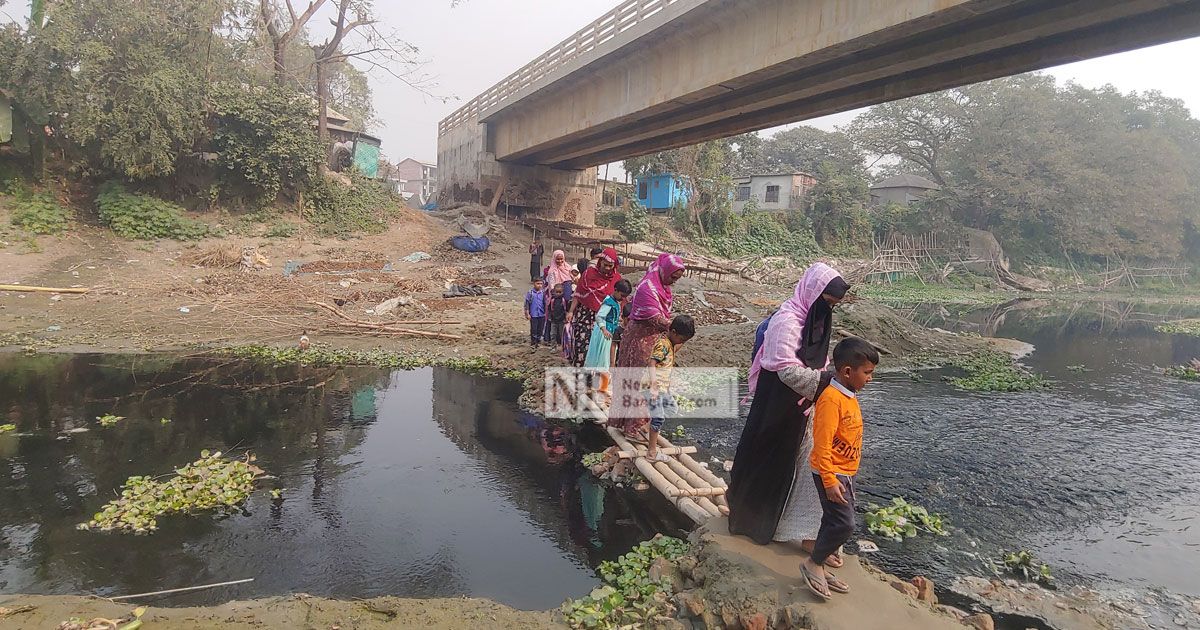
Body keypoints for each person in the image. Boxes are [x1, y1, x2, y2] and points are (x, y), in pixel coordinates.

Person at [727, 263, 851, 546]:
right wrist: (829, 383)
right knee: (765, 464)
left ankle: (788, 528)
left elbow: (817, 359)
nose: (828, 309)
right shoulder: (787, 322)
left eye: (833, 305)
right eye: (827, 302)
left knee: (796, 467)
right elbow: (786, 370)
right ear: (813, 293)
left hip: (800, 408)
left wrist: (824, 384)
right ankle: (750, 524)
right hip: (774, 407)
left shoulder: (816, 321)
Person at [800, 337, 878, 600]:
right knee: (844, 524)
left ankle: (819, 563)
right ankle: (813, 564)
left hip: (844, 472)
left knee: (833, 520)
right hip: (831, 472)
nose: (870, 379)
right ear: (847, 372)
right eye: (867, 373)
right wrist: (829, 479)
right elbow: (821, 444)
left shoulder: (848, 395)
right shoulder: (832, 400)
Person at [610, 253, 686, 437]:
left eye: (677, 279)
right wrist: (679, 328)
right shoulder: (647, 288)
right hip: (640, 340)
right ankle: (633, 429)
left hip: (654, 340)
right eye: (673, 277)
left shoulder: (663, 288)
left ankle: (640, 425)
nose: (674, 281)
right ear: (665, 271)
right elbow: (655, 318)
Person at [645, 314, 694, 461]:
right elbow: (652, 362)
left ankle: (647, 428)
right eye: (682, 339)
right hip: (651, 386)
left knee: (672, 408)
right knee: (658, 417)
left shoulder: (671, 343)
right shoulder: (663, 344)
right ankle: (652, 452)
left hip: (662, 387)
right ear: (673, 332)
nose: (682, 343)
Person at [567, 248, 622, 368]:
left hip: (605, 320)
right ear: (600, 261)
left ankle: (596, 379)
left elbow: (620, 299)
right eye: (605, 264)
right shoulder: (588, 274)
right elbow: (578, 293)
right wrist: (571, 311)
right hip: (586, 317)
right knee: (582, 346)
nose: (607, 268)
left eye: (610, 266)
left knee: (601, 349)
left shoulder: (616, 279)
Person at [584, 279, 633, 399]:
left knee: (602, 360)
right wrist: (604, 329)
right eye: (622, 295)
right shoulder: (609, 303)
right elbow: (600, 317)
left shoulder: (614, 301)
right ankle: (600, 388)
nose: (622, 298)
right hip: (604, 334)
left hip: (610, 331)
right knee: (603, 360)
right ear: (615, 290)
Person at [524, 278, 547, 348]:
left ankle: (538, 341)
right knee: (534, 329)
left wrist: (546, 313)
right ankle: (533, 342)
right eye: (538, 284)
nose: (539, 285)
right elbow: (527, 304)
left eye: (541, 284)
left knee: (541, 328)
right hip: (533, 314)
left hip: (541, 314)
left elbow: (545, 303)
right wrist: (527, 313)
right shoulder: (530, 293)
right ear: (534, 284)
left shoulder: (543, 293)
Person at [548, 284, 569, 349]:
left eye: (560, 292)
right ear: (554, 291)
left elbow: (566, 310)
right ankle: (553, 347)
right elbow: (549, 309)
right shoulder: (552, 300)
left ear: (563, 292)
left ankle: (563, 347)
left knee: (561, 334)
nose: (558, 294)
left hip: (562, 320)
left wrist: (565, 318)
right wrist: (549, 317)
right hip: (553, 320)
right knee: (553, 334)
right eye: (556, 292)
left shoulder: (564, 301)